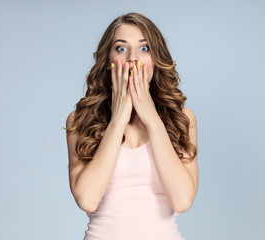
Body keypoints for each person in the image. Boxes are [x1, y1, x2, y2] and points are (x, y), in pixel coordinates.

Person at [65, 12, 198, 240]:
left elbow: (183, 200)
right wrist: (118, 118)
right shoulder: (80, 121)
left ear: (155, 60)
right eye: (121, 48)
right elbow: (87, 199)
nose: (132, 58)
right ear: (108, 61)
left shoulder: (182, 119)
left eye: (144, 48)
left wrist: (152, 119)